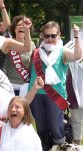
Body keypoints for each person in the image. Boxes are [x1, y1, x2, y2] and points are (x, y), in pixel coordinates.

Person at [28, 22, 82, 150]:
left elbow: (77, 56)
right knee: (41, 127)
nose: (50, 39)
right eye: (47, 36)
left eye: (53, 35)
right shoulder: (36, 52)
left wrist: (76, 37)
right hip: (36, 95)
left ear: (59, 35)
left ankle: (60, 148)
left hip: (55, 96)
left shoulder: (63, 51)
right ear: (42, 36)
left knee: (55, 127)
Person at [4, 15, 35, 96]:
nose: (21, 27)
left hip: (26, 86)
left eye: (24, 25)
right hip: (10, 86)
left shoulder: (32, 45)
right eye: (18, 25)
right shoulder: (8, 43)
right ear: (14, 29)